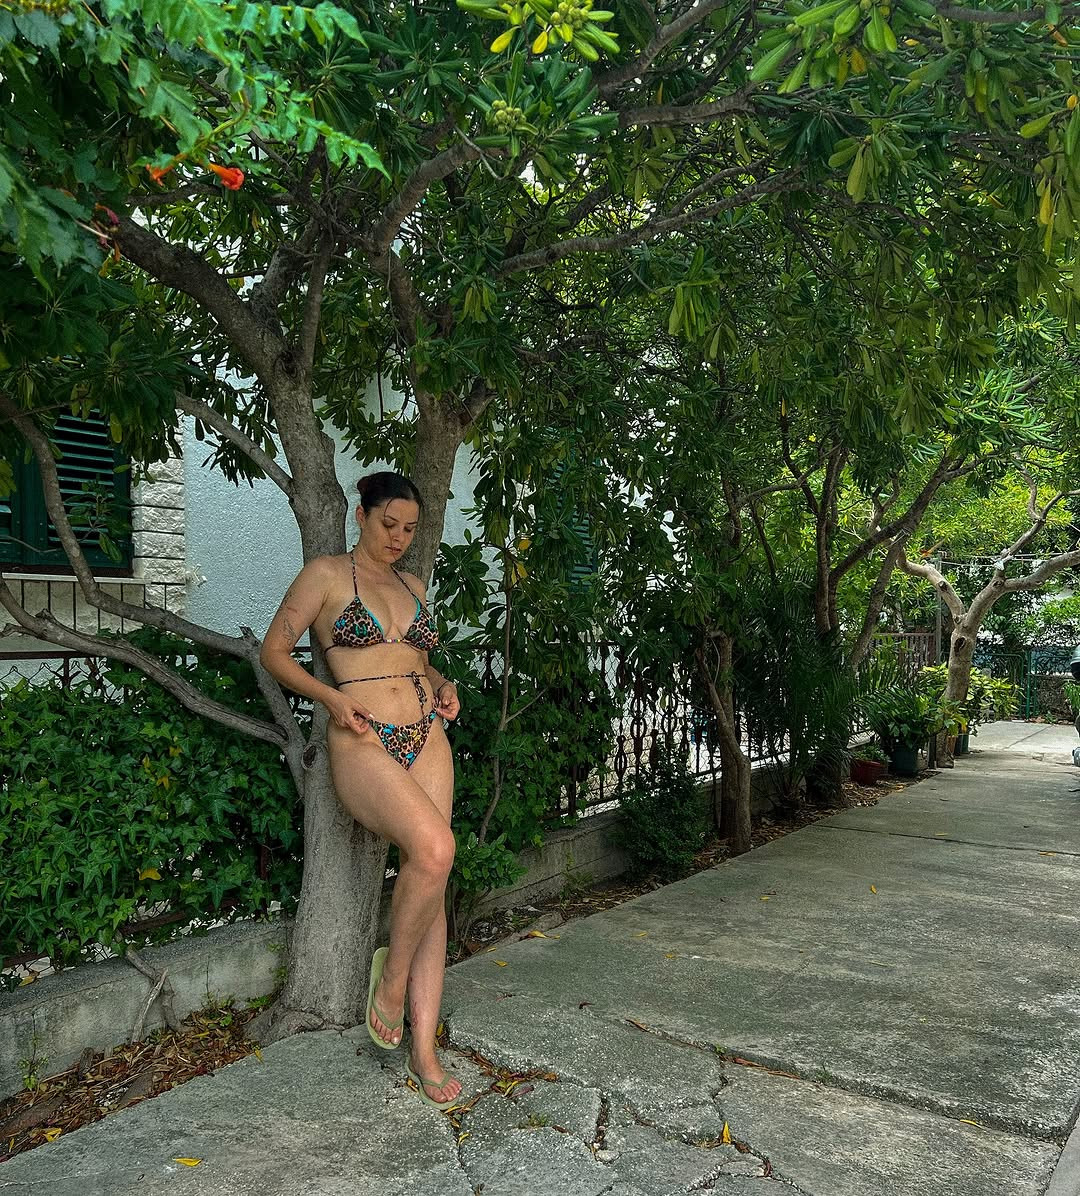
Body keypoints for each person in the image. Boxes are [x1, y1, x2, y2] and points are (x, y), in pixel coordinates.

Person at [259, 471, 463, 1109]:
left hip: (427, 730)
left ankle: (424, 1052)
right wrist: (328, 699)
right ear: (361, 516)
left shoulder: (413, 585)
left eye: (409, 529)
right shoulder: (325, 576)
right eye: (388, 524)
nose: (399, 538)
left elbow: (417, 661)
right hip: (363, 735)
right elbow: (274, 652)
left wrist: (444, 684)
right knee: (435, 849)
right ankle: (391, 984)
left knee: (432, 877)